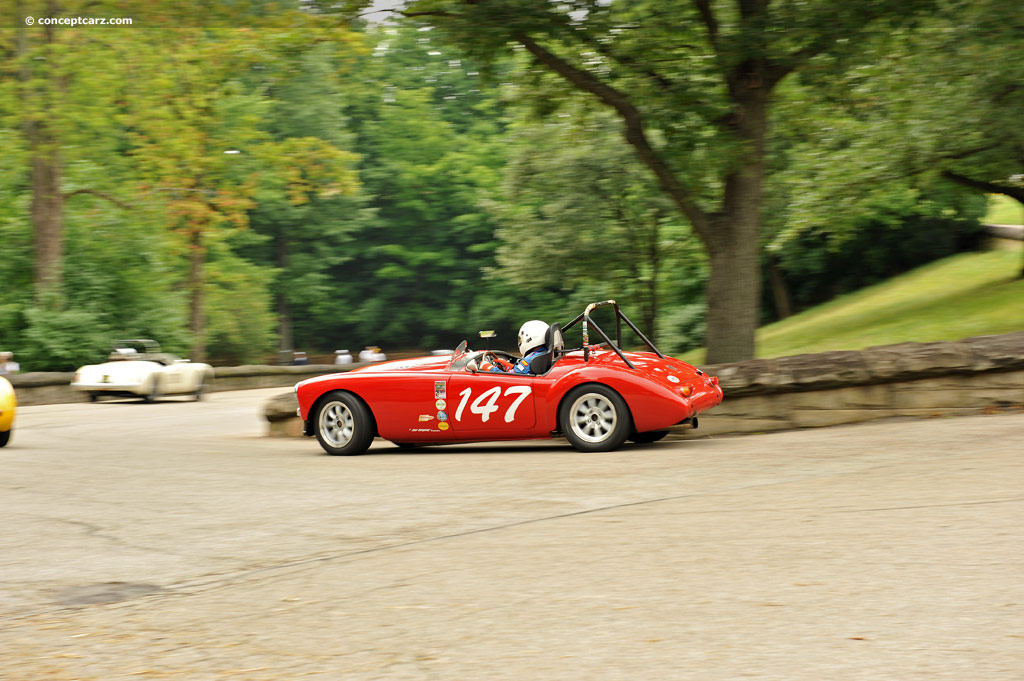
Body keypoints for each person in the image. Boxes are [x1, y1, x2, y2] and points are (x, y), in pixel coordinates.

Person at [483, 320, 549, 374]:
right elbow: (522, 371)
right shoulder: (545, 353)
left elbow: (510, 378)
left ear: (529, 338)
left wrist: (489, 368)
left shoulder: (530, 360)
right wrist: (508, 366)